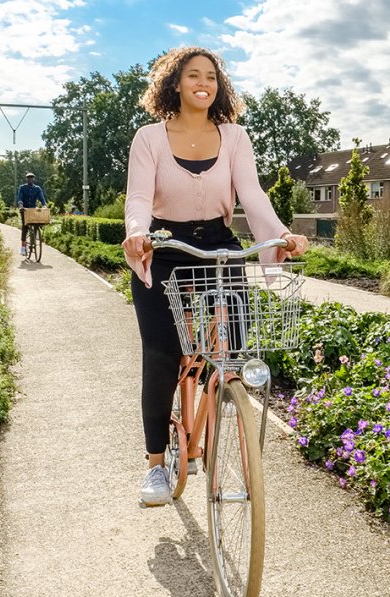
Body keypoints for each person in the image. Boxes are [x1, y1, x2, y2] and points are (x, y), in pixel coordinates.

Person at [122, 46, 309, 506]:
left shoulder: (235, 136)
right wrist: (137, 234)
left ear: (218, 86)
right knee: (163, 352)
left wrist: (281, 233)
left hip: (220, 247)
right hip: (166, 247)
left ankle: (221, 396)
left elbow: (252, 194)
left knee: (238, 347)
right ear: (176, 84)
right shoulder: (148, 138)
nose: (203, 83)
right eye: (192, 76)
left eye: (211, 76)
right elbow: (139, 198)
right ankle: (155, 466)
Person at [16, 173, 47, 256]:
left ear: (33, 179)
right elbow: (20, 197)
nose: (30, 179)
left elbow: (42, 198)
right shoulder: (22, 188)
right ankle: (23, 247)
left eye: (31, 178)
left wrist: (44, 205)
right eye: (28, 178)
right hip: (24, 210)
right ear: (26, 179)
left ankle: (35, 238)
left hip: (33, 209)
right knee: (25, 226)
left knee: (37, 224)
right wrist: (20, 205)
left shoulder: (37, 188)